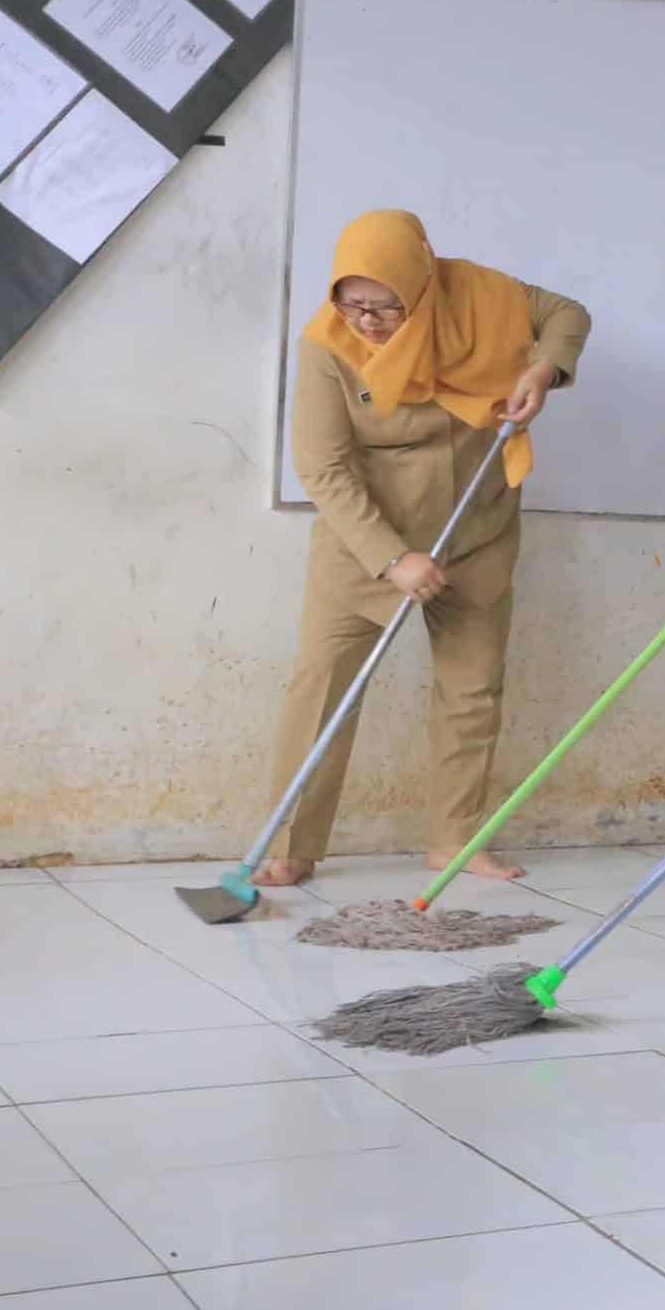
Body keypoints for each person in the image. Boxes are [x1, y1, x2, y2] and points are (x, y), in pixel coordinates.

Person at [252, 210, 589, 887]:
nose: (369, 322)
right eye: (353, 303)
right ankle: (288, 845)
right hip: (368, 537)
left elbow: (567, 313)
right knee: (322, 684)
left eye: (386, 305)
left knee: (472, 687)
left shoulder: (481, 297)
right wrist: (390, 556)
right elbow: (323, 468)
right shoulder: (326, 345)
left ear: (422, 283)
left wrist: (543, 368)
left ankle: (454, 841)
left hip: (477, 525)